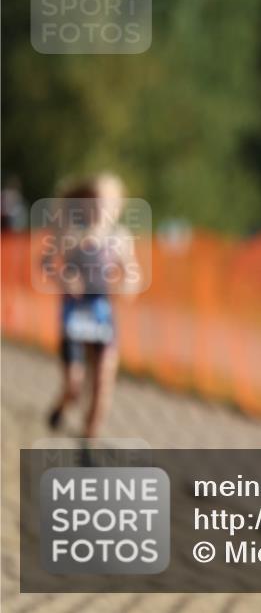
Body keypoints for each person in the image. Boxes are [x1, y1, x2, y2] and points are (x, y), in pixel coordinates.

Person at [42, 173, 139, 438]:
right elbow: (47, 263)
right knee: (74, 384)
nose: (101, 207)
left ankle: (89, 440)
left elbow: (133, 272)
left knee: (103, 383)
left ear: (119, 206)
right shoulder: (71, 233)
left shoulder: (120, 238)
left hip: (102, 314)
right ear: (83, 202)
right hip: (74, 314)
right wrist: (64, 278)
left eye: (108, 201)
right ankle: (62, 405)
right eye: (95, 200)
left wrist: (128, 285)